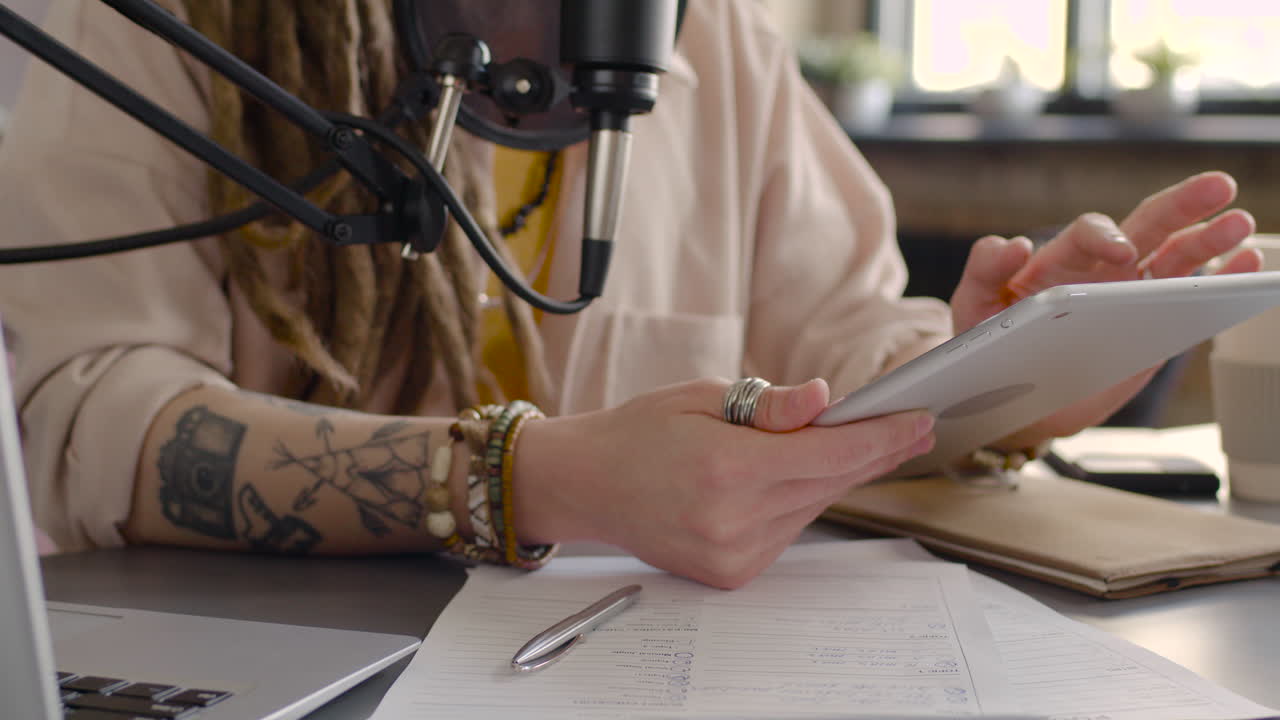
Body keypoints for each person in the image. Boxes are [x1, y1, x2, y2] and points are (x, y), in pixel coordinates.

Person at [0, 0, 1260, 589]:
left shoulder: (716, 52)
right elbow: (78, 420)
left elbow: (841, 343)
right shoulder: (162, 30)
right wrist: (530, 476)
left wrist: (1002, 371)